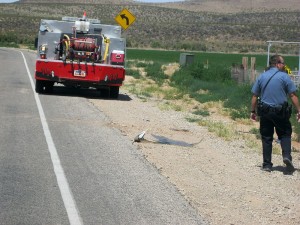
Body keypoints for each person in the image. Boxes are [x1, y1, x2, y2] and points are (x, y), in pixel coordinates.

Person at [250, 54, 300, 172]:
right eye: (283, 63)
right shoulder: (285, 77)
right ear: (277, 63)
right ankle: (287, 156)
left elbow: (254, 96)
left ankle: (267, 165)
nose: (284, 65)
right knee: (285, 133)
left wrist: (253, 111)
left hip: (265, 112)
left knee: (267, 137)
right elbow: (292, 95)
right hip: (280, 112)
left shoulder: (262, 76)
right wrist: (299, 110)